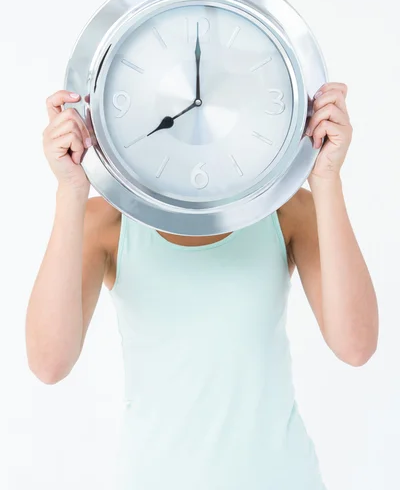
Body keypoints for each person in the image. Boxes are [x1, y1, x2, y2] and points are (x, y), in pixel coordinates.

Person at [26, 82, 378, 489]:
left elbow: (356, 346)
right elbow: (49, 364)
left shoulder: (285, 210)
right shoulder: (106, 222)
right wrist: (71, 190)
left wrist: (326, 179)